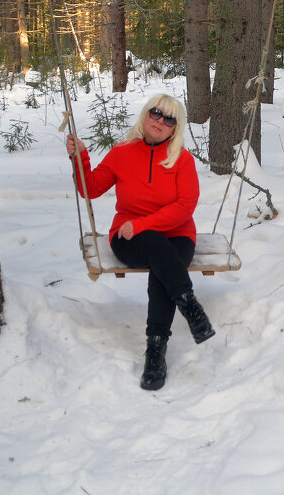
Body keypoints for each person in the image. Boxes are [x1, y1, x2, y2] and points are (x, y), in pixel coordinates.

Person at [66, 93, 215, 391]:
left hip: (176, 234)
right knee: (161, 256)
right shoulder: (122, 152)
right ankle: (190, 307)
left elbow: (184, 207)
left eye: (168, 118)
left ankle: (155, 353)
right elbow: (90, 188)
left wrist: (143, 224)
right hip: (128, 238)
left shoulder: (181, 160)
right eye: (155, 113)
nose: (160, 121)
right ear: (145, 115)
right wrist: (80, 156)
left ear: (176, 127)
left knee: (162, 266)